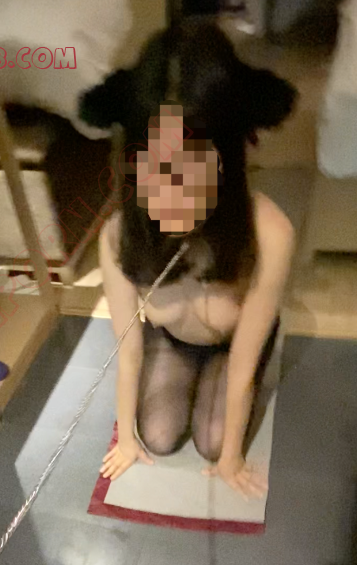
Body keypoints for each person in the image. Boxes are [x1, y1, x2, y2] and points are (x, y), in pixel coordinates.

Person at [80, 17, 297, 499]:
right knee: (157, 434)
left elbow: (241, 368)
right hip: (174, 340)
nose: (169, 195)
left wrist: (232, 459)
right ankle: (180, 371)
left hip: (234, 343)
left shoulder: (269, 233)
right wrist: (126, 439)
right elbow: (127, 351)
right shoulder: (119, 237)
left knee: (213, 442)